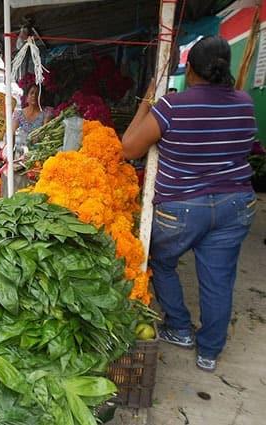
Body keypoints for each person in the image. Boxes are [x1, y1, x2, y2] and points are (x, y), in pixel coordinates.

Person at [122, 36, 257, 372]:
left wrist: (146, 102)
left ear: (191, 70)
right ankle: (209, 352)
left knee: (161, 261)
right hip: (235, 204)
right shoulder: (245, 102)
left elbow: (129, 148)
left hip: (182, 207)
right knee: (218, 278)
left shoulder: (172, 106)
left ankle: (180, 328)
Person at [12, 84, 53, 155]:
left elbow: (45, 132)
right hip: (21, 152)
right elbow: (12, 133)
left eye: (37, 94)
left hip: (39, 153)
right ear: (27, 97)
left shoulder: (47, 112)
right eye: (31, 93)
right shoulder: (19, 113)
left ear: (41, 98)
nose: (34, 95)